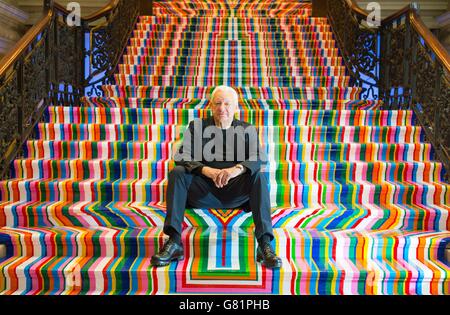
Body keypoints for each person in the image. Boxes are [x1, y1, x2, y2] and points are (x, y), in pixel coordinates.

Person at [151, 86, 282, 269]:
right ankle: (173, 242)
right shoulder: (197, 127)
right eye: (218, 103)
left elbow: (259, 157)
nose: (222, 108)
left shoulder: (247, 129)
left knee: (258, 177)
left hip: (236, 193)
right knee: (177, 172)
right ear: (211, 106)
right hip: (203, 192)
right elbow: (182, 155)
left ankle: (265, 244)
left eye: (227, 104)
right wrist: (207, 171)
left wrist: (235, 170)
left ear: (236, 107)